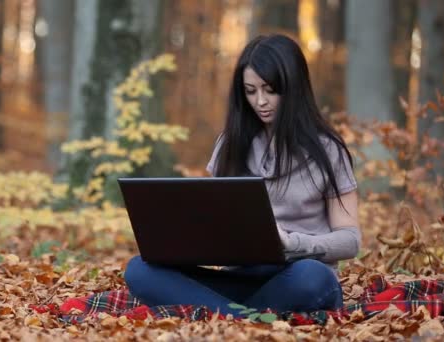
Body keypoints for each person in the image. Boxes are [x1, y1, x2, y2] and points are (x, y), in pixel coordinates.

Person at [123, 34, 361, 316]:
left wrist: (292, 243)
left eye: (270, 90)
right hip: (238, 279)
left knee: (313, 278)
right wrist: (188, 242)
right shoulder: (230, 144)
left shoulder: (328, 150)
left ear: (294, 87)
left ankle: (221, 313)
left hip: (295, 277)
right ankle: (243, 317)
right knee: (139, 269)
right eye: (250, 91)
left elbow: (350, 240)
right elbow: (215, 221)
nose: (260, 101)